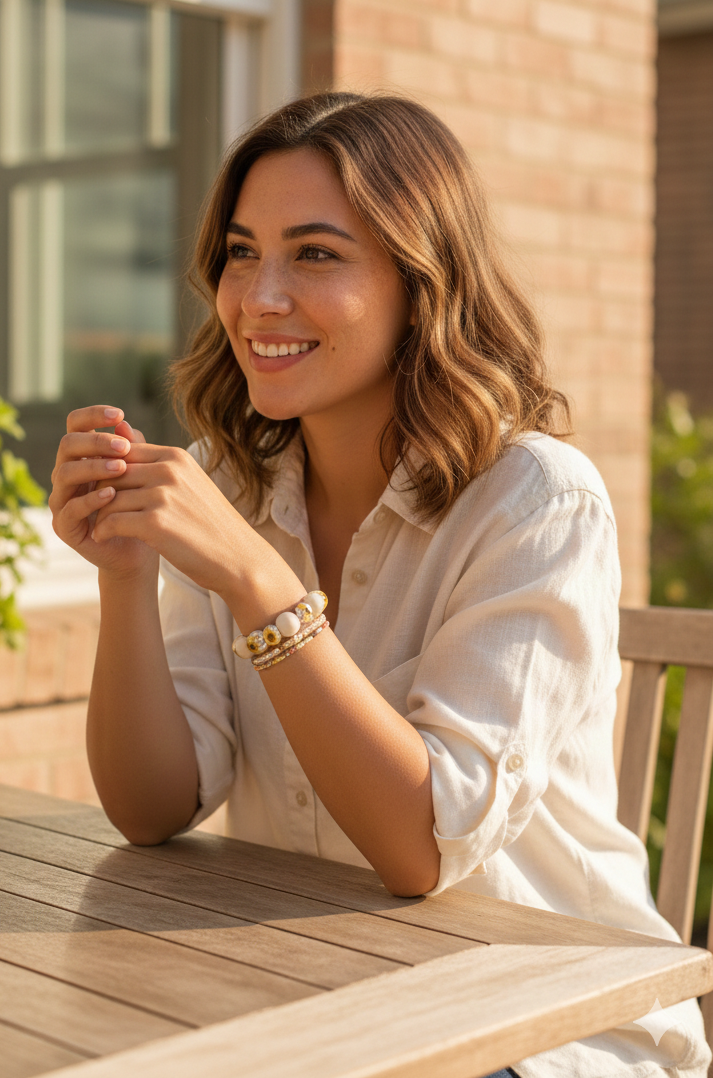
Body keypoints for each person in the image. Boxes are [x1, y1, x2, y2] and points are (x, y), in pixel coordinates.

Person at [50, 92, 709, 1078]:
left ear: (421, 282)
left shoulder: (536, 502)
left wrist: (256, 580)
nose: (259, 296)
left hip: (539, 1032)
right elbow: (154, 804)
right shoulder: (234, 483)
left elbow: (422, 849)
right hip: (323, 1004)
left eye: (315, 253)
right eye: (240, 251)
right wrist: (127, 574)